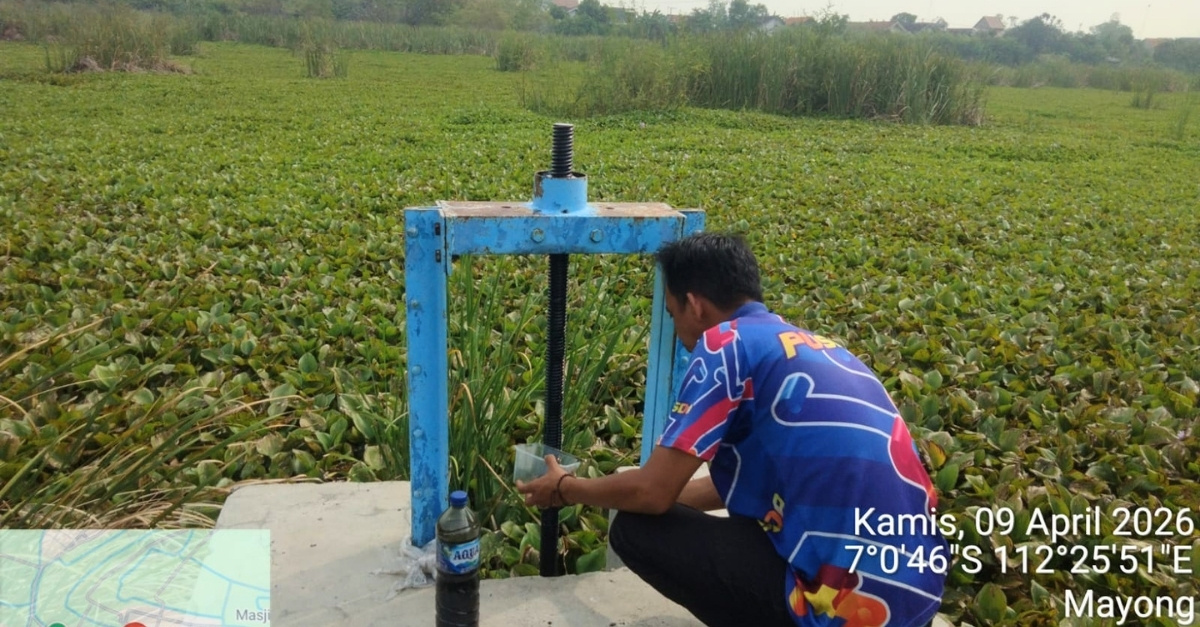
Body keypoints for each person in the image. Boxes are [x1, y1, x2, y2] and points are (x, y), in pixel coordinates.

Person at [517, 232, 947, 627]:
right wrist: (668, 499)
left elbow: (650, 493)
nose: (679, 331)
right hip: (915, 597)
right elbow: (762, 479)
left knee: (635, 530)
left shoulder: (724, 343)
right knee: (732, 517)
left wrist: (567, 488)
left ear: (695, 304)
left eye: (672, 313)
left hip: (845, 611)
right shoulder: (823, 349)